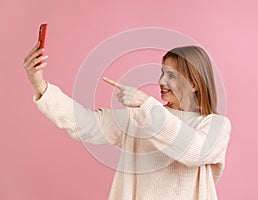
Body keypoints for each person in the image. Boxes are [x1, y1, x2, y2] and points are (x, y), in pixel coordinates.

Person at [23, 42, 231, 200]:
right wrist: (41, 85)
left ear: (194, 84)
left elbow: (194, 152)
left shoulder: (216, 125)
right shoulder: (139, 117)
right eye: (162, 73)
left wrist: (146, 104)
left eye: (172, 76)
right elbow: (85, 123)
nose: (161, 82)